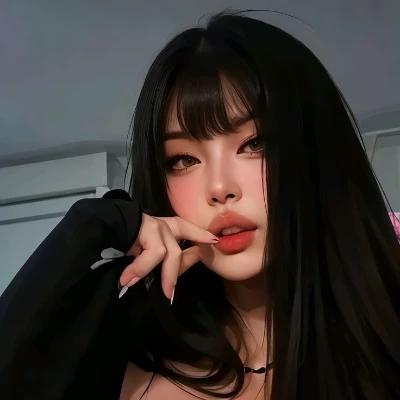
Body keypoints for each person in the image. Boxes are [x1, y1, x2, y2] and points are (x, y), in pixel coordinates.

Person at [0, 10, 399, 400]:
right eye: (183, 160)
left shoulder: (386, 337)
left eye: (255, 143)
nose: (219, 188)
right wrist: (93, 222)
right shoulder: (129, 359)